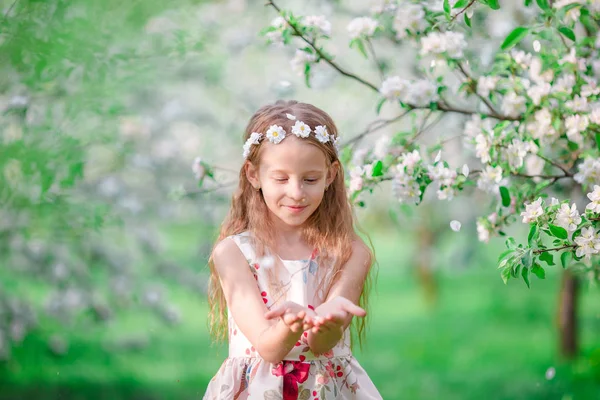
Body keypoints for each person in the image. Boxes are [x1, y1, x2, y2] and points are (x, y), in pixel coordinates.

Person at [203, 100, 382, 399]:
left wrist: (329, 321)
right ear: (253, 174)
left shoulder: (349, 251)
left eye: (310, 179)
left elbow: (322, 345)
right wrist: (293, 324)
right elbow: (269, 347)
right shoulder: (233, 253)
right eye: (281, 178)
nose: (296, 192)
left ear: (331, 175)